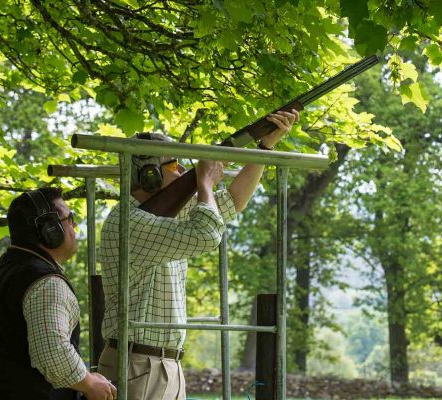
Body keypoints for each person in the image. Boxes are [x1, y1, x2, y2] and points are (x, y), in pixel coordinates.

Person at [97, 110, 299, 399]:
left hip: (158, 365)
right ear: (150, 175)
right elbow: (207, 235)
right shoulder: (131, 221)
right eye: (175, 165)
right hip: (138, 365)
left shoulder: (162, 216)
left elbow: (233, 201)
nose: (182, 173)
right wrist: (204, 182)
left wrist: (265, 148)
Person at [0, 187, 116, 400]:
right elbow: (53, 354)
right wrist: (90, 383)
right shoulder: (46, 283)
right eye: (69, 218)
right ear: (50, 230)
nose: (74, 226)